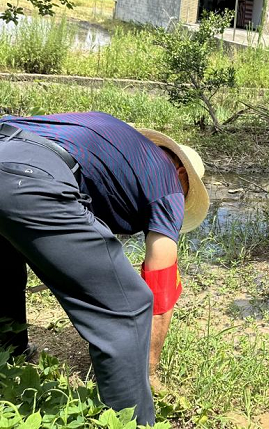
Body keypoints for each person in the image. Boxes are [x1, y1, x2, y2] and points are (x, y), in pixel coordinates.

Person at [0, 111, 210, 426]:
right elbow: (161, 283)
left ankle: (9, 351)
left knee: (8, 256)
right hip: (29, 176)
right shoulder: (168, 181)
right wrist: (147, 370)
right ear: (182, 173)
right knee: (129, 307)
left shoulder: (118, 142)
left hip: (10, 147)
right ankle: (133, 421)